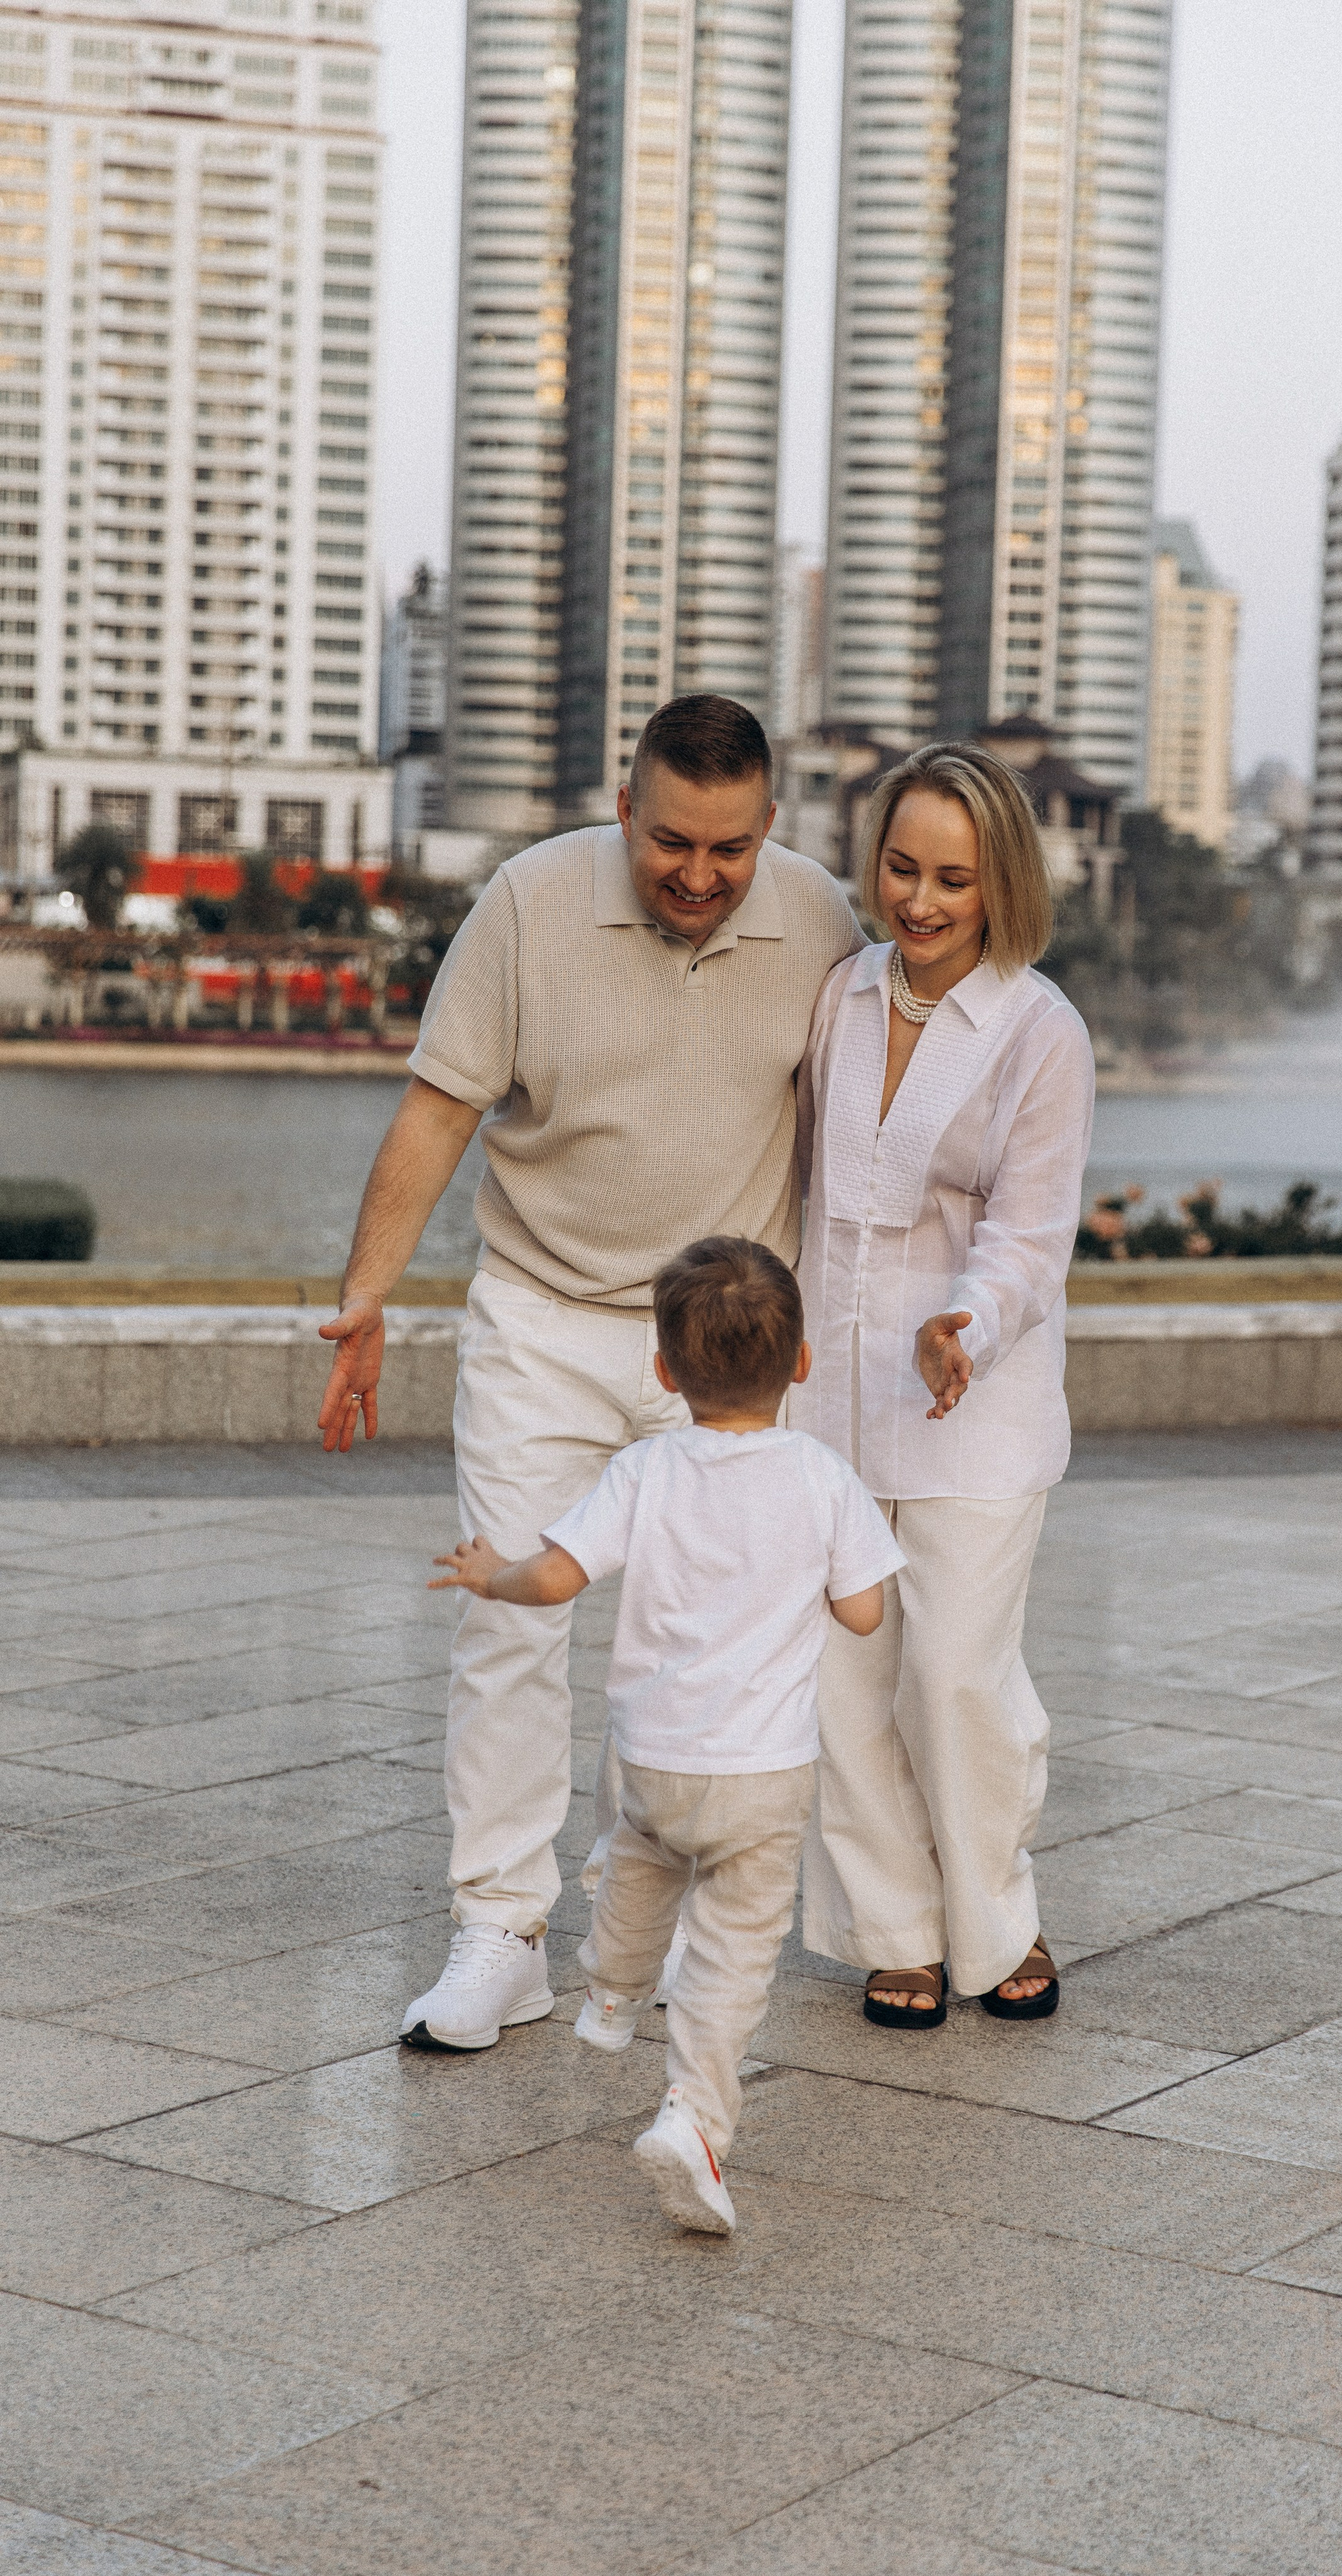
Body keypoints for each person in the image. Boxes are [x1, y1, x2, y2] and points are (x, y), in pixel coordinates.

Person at [315, 694, 862, 2053]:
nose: (696, 874)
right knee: (508, 1615)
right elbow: (440, 1104)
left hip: (723, 1353)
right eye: (670, 840)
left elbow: (866, 1129)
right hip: (543, 1321)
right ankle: (500, 1931)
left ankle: (669, 1919)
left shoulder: (823, 923)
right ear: (625, 808)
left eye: (728, 850)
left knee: (706, 1640)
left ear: (768, 833)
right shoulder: (527, 904)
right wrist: (364, 1299)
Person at [430, 1237, 903, 2233]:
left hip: (652, 1757)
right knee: (734, 1950)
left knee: (638, 1861)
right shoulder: (823, 1478)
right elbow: (864, 1615)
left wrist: (490, 1574)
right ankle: (693, 2118)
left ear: (663, 1371)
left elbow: (555, 1581)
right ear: (803, 1364)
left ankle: (609, 1996)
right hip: (764, 1775)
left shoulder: (646, 1469)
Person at [791, 741, 1095, 2029]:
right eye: (903, 868)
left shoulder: (1042, 1029)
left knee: (957, 1674)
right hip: (828, 1400)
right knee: (847, 1682)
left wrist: (967, 1318)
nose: (919, 901)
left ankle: (997, 1915)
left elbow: (1031, 1230)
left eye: (953, 879)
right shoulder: (841, 997)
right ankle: (893, 1931)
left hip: (975, 1402)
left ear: (1001, 882)